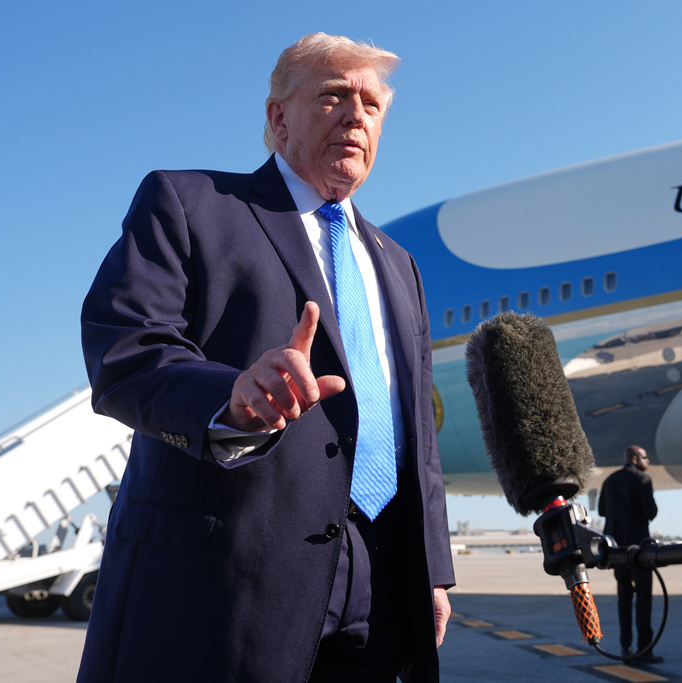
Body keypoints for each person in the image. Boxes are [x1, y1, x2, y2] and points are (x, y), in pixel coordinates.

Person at [77, 33, 455, 682]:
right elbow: (125, 351)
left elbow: (415, 433)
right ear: (277, 118)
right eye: (334, 95)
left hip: (384, 580)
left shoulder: (400, 264)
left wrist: (435, 571)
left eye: (371, 105)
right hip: (227, 583)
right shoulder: (188, 203)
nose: (356, 115)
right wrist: (232, 399)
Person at [598, 445, 663, 663]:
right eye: (645, 458)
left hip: (616, 549)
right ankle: (644, 649)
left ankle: (625, 647)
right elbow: (650, 512)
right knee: (643, 596)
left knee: (624, 596)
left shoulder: (609, 480)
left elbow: (601, 511)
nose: (648, 462)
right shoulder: (642, 480)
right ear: (635, 458)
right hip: (638, 549)